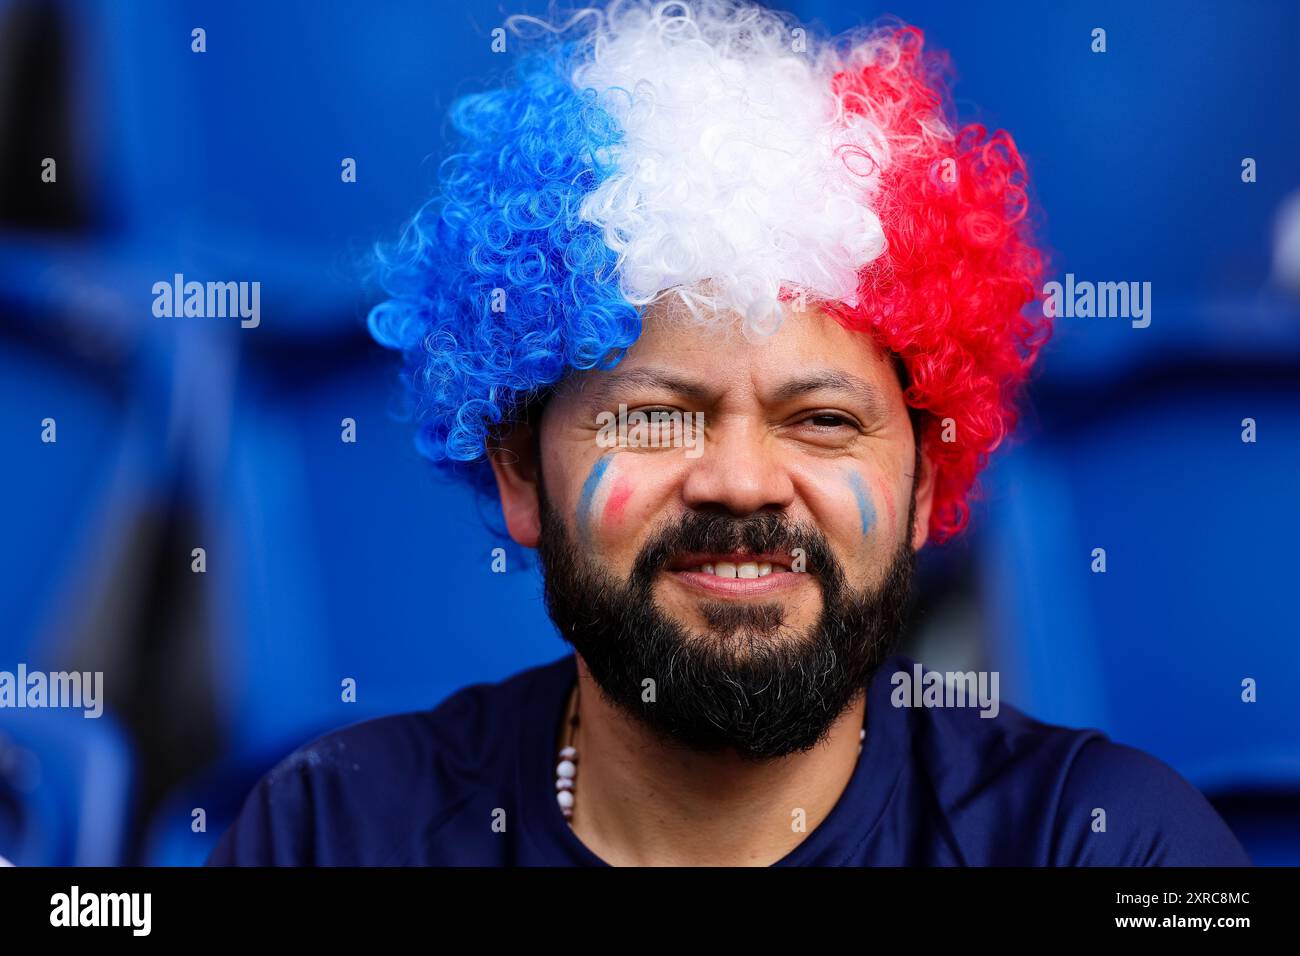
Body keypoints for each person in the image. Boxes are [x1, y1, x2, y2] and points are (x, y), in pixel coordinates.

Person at [209, 0, 1249, 866]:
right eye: (659, 415)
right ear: (519, 468)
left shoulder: (1105, 844)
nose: (743, 481)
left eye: (823, 420)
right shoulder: (336, 830)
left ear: (930, 481)